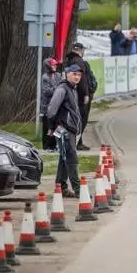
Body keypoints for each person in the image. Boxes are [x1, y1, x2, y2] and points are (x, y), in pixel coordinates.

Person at [46, 63, 83, 198]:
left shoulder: (73, 88)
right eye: (74, 74)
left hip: (70, 129)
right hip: (63, 129)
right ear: (67, 75)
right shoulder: (62, 89)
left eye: (79, 75)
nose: (77, 77)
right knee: (71, 157)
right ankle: (78, 190)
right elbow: (51, 110)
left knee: (64, 158)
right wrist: (52, 127)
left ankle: (61, 187)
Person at [64, 42, 97, 151]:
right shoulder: (79, 62)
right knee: (82, 118)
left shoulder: (68, 60)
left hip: (72, 92)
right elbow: (82, 79)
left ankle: (76, 141)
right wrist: (86, 94)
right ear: (81, 50)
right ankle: (77, 142)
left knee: (74, 118)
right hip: (80, 95)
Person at [40, 58, 61, 152]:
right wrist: (58, 88)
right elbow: (47, 92)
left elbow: (62, 86)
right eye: (53, 65)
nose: (55, 66)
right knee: (48, 127)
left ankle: (55, 144)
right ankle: (47, 146)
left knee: (57, 126)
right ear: (48, 66)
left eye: (55, 64)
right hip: (47, 107)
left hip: (57, 106)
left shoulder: (58, 75)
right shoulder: (45, 77)